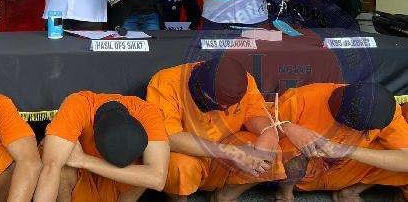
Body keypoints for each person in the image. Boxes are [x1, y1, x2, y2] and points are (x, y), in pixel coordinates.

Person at [146, 56, 285, 201]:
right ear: (198, 85)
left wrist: (268, 132)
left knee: (269, 151)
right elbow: (171, 138)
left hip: (224, 153)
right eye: (217, 103)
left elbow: (254, 113)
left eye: (230, 106)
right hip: (190, 154)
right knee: (180, 166)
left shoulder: (245, 81)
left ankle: (224, 196)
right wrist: (231, 152)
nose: (224, 108)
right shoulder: (166, 82)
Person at [274, 82, 408, 202]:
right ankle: (284, 195)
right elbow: (265, 125)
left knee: (394, 159)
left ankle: (350, 192)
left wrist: (347, 151)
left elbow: (405, 158)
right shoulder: (301, 98)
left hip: (347, 172)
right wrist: (288, 127)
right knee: (294, 146)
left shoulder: (387, 113)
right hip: (303, 174)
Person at [34, 91, 170, 202]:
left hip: (114, 180)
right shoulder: (78, 105)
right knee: (59, 158)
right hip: (80, 177)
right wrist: (81, 162)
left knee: (144, 172)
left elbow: (157, 179)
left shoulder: (148, 113)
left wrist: (84, 160)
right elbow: (51, 167)